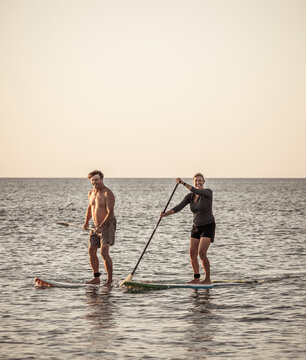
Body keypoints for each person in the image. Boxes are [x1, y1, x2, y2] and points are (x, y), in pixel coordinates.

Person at [160, 173, 215, 284]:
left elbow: (197, 191)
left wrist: (183, 183)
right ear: (193, 181)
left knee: (202, 253)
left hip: (208, 226)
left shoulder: (207, 193)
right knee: (192, 253)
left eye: (200, 180)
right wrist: (165, 214)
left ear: (203, 181)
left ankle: (207, 279)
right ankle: (196, 278)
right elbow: (179, 207)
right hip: (196, 227)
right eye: (196, 181)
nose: (198, 182)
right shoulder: (190, 197)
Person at [83, 170, 116, 286]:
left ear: (102, 179)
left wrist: (102, 227)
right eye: (92, 180)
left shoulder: (108, 193)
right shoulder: (91, 193)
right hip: (94, 225)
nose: (94, 182)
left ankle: (109, 281)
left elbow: (110, 213)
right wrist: (86, 222)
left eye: (96, 179)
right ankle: (96, 278)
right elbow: (89, 208)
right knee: (91, 250)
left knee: (104, 252)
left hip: (107, 225)